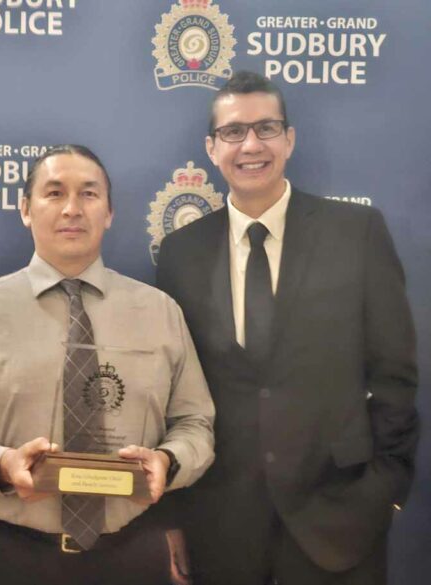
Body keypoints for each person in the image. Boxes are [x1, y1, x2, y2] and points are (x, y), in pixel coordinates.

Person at [156, 71, 418, 585]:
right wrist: (174, 517)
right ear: (212, 148)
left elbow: (395, 374)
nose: (251, 145)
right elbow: (168, 393)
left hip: (341, 519)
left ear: (290, 139)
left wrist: (384, 491)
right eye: (233, 131)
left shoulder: (356, 233)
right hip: (220, 524)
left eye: (266, 128)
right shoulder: (180, 254)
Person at [0, 144, 215, 585]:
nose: (72, 209)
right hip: (17, 557)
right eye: (54, 193)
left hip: (134, 554)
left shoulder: (160, 312)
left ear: (110, 212)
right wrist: (3, 464)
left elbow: (195, 423)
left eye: (88, 194)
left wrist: (167, 461)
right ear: (26, 209)